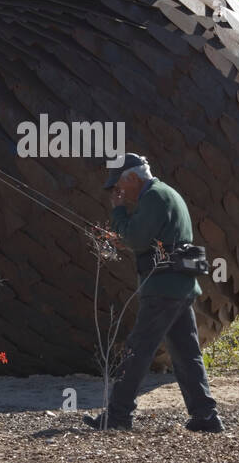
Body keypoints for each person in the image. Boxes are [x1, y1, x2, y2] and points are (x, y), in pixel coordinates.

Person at [82, 152, 223, 433]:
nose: (118, 192)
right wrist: (126, 237)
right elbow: (152, 241)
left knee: (138, 350)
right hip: (180, 286)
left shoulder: (154, 197)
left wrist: (119, 211)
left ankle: (119, 416)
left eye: (119, 187)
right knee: (186, 353)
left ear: (133, 178)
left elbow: (135, 238)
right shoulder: (168, 194)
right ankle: (206, 416)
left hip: (162, 288)